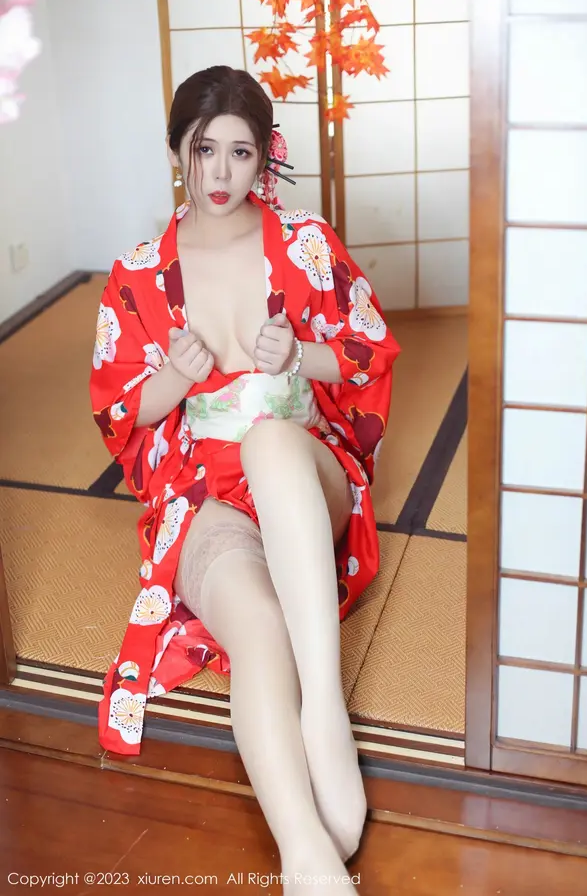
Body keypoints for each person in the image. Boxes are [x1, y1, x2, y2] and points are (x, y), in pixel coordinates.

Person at [90, 65, 400, 893]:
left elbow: (369, 352)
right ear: (177, 153)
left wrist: (301, 355)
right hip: (202, 495)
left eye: (240, 152)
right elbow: (119, 412)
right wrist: (174, 377)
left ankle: (323, 708)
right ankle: (305, 856)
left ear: (265, 157)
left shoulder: (304, 242)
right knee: (259, 628)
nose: (221, 173)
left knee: (270, 442)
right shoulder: (136, 274)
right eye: (205, 151)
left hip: (301, 472)